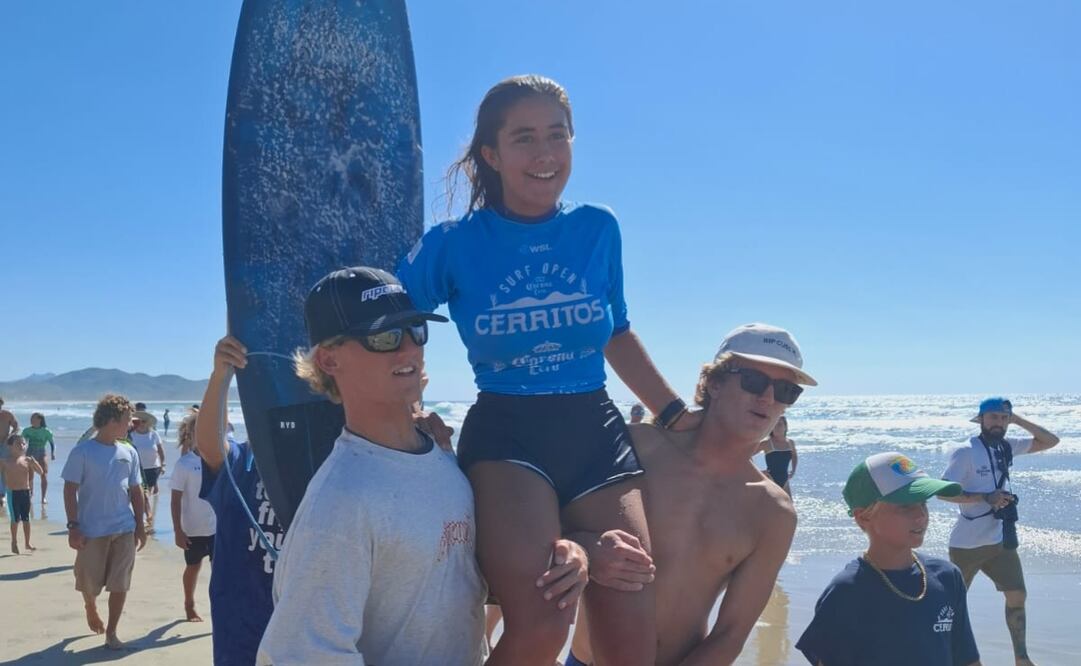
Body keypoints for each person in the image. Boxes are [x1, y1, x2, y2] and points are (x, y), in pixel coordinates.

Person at [397, 74, 693, 666]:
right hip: (508, 433)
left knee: (634, 640)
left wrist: (677, 413)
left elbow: (616, 329)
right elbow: (388, 322)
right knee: (541, 624)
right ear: (492, 153)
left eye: (557, 136)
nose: (545, 154)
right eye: (525, 138)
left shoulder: (597, 229)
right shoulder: (454, 243)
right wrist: (404, 415)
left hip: (594, 428)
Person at [255, 267, 587, 664]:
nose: (408, 349)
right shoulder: (340, 502)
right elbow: (303, 653)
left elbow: (459, 578)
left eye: (415, 330)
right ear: (328, 360)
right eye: (384, 336)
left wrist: (566, 559)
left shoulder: (442, 458)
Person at [568, 323, 815, 665]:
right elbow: (545, 529)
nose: (768, 399)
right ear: (714, 382)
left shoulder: (773, 512)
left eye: (786, 390)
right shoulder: (635, 447)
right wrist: (586, 549)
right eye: (754, 381)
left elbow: (731, 632)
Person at [796, 452, 981, 666]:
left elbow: (967, 660)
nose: (921, 515)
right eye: (905, 506)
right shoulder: (847, 592)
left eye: (923, 503)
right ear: (864, 516)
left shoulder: (948, 577)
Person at [940, 397, 1060, 666]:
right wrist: (985, 497)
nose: (999, 423)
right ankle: (948, 657)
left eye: (1003, 418)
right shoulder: (965, 451)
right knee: (951, 606)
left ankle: (1022, 658)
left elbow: (1051, 441)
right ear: (980, 419)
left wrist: (1018, 420)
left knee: (1017, 595)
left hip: (999, 540)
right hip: (967, 544)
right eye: (993, 417)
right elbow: (944, 492)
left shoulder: (1007, 446)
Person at [196, 339, 287, 666]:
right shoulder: (245, 462)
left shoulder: (323, 464)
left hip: (300, 634)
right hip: (242, 634)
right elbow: (209, 445)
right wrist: (220, 376)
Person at [61, 394, 147, 650]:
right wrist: (73, 526)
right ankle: (90, 606)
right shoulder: (83, 452)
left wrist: (141, 526)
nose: (130, 425)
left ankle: (112, 631)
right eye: (125, 420)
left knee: (121, 583)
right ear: (111, 420)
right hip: (91, 530)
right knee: (89, 582)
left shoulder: (129, 451)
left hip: (124, 528)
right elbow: (69, 489)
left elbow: (136, 490)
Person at [170, 412, 216, 622]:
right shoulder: (185, 464)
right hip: (193, 528)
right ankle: (189, 603)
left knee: (221, 569)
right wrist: (178, 531)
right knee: (193, 566)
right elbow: (175, 499)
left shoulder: (219, 459)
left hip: (217, 526)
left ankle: (220, 605)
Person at [3, 434, 43, 553]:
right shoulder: (5, 461)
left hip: (25, 492)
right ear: (10, 446)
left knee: (26, 519)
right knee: (15, 519)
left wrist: (34, 462)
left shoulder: (27, 460)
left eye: (23, 443)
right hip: (12, 493)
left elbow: (40, 472)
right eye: (18, 444)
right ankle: (14, 542)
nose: (21, 445)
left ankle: (27, 543)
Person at [130, 410, 165, 530]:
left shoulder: (153, 434)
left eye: (144, 421)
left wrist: (163, 464)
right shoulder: (131, 435)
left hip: (153, 468)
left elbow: (160, 449)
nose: (141, 424)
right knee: (144, 493)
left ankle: (146, 516)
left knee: (146, 492)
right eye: (138, 421)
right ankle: (148, 515)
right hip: (137, 468)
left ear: (148, 423)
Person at [758, 415, 798, 495]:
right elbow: (746, 456)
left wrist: (793, 471)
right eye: (774, 425)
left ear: (785, 427)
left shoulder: (790, 443)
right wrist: (759, 472)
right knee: (771, 506)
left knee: (789, 506)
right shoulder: (766, 444)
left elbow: (794, 456)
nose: (777, 427)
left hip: (785, 480)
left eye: (779, 424)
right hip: (771, 480)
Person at [22, 413, 55, 503]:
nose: (31, 420)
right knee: (30, 475)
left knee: (44, 473)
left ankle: (43, 497)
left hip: (41, 452)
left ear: (39, 420)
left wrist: (52, 453)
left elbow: (51, 443)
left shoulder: (46, 431)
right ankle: (30, 494)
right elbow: (22, 442)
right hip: (30, 452)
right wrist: (22, 452)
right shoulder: (27, 430)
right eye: (31, 418)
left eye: (33, 418)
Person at [0, 397, 18, 512]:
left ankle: (3, 494)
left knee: (3, 469)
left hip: (4, 444)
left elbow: (16, 427)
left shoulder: (7, 415)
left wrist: (10, 437)